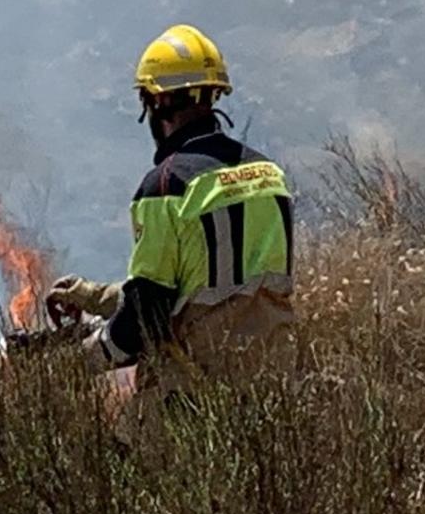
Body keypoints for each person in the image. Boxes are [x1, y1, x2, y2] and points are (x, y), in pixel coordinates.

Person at [45, 24, 295, 382]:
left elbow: (147, 317)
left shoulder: (167, 186)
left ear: (158, 101)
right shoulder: (267, 175)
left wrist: (72, 366)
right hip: (277, 386)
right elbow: (210, 290)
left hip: (198, 396)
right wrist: (95, 296)